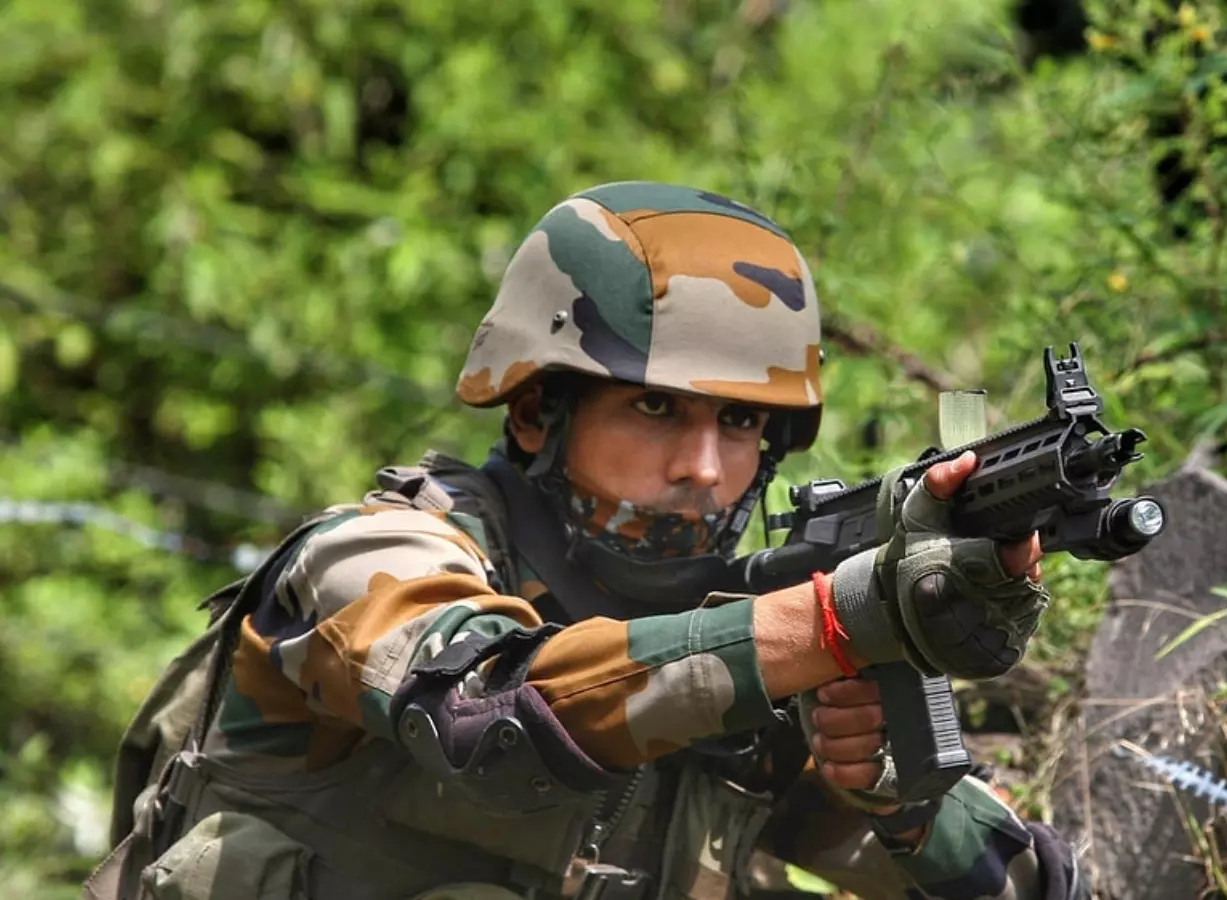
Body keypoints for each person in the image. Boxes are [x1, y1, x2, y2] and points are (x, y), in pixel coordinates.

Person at [85, 182, 1088, 900]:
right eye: (656, 408)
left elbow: (1024, 887)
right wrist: (835, 621)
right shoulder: (377, 556)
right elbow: (487, 715)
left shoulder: (744, 648)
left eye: (741, 424)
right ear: (536, 412)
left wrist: (895, 796)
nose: (703, 467)